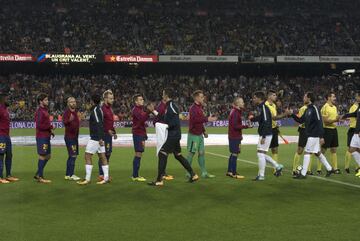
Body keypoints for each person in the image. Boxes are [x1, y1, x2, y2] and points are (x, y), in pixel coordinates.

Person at [148, 88, 199, 186]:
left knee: (162, 153)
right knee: (178, 155)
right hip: (175, 135)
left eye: (163, 94)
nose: (162, 96)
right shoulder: (170, 106)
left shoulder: (171, 106)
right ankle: (193, 174)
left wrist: (166, 126)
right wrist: (154, 111)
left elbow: (174, 122)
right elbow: (166, 118)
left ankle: (159, 180)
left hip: (173, 135)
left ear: (166, 96)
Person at [291, 92, 334, 178]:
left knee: (307, 152)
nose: (303, 98)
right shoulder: (307, 109)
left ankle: (303, 174)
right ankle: (329, 169)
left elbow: (319, 122)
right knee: (317, 153)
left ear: (309, 98)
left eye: (305, 97)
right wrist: (291, 114)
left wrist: (321, 136)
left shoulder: (314, 108)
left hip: (314, 135)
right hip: (310, 135)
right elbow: (300, 120)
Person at [249, 91, 284, 181]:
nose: (253, 99)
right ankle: (276, 166)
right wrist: (253, 119)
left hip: (266, 133)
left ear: (259, 98)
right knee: (261, 153)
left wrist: (264, 136)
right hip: (267, 133)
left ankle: (262, 175)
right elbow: (262, 118)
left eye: (254, 97)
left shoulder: (263, 107)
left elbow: (265, 121)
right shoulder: (262, 107)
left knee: (260, 154)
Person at [77, 94, 109, 185]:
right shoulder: (100, 109)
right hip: (100, 137)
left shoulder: (95, 110)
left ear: (92, 101)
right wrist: (102, 137)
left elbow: (98, 124)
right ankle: (106, 178)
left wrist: (99, 138)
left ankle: (87, 179)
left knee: (87, 156)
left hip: (96, 138)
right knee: (102, 156)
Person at [187, 90, 217, 178]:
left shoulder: (199, 107)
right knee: (191, 153)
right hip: (193, 135)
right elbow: (195, 120)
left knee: (201, 153)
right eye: (201, 97)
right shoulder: (193, 108)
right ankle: (188, 172)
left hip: (199, 135)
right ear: (196, 98)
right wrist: (207, 119)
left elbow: (200, 121)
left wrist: (204, 131)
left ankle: (204, 172)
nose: (203, 98)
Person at [34, 93, 55, 183]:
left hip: (46, 136)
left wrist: (50, 131)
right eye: (45, 100)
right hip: (42, 137)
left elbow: (44, 123)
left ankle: (38, 173)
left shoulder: (44, 110)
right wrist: (50, 127)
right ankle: (40, 177)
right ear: (40, 101)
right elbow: (39, 125)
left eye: (47, 99)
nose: (47, 101)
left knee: (48, 156)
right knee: (42, 155)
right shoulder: (40, 111)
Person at [227, 97, 249, 179]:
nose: (243, 103)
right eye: (242, 102)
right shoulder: (236, 112)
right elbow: (236, 126)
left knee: (233, 153)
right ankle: (234, 172)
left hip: (233, 136)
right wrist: (246, 126)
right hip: (235, 137)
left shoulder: (235, 111)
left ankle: (229, 171)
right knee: (235, 154)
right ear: (237, 104)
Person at [319, 92, 341, 174]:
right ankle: (319, 169)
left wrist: (337, 119)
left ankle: (335, 168)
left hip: (334, 130)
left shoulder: (335, 107)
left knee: (334, 149)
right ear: (328, 98)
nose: (335, 98)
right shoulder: (325, 107)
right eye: (333, 97)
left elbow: (334, 119)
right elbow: (325, 121)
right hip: (327, 130)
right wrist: (335, 120)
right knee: (323, 150)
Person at [153, 96, 174, 181]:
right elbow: (157, 118)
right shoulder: (161, 106)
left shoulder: (165, 106)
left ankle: (163, 173)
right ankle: (162, 173)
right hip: (162, 130)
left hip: (164, 129)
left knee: (165, 151)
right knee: (163, 151)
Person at [131, 94, 151, 182]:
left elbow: (142, 122)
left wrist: (145, 135)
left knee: (139, 153)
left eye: (142, 99)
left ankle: (135, 175)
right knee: (138, 153)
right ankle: (135, 175)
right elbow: (142, 119)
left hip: (140, 134)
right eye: (140, 99)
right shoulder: (136, 110)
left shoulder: (140, 109)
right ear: (136, 101)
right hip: (138, 134)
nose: (142, 100)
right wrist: (148, 112)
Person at [98, 90, 117, 181]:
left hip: (109, 135)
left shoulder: (109, 108)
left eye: (113, 98)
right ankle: (101, 174)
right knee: (103, 154)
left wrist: (114, 131)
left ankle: (104, 173)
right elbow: (100, 123)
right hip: (104, 135)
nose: (112, 100)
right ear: (105, 99)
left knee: (108, 154)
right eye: (111, 98)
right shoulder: (102, 109)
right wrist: (107, 131)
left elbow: (110, 122)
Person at [0, 92, 19, 183]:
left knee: (9, 155)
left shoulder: (5, 109)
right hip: (1, 136)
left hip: (6, 136)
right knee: (1, 155)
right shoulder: (0, 109)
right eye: (6, 98)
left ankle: (8, 175)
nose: (8, 100)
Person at [341, 90, 360, 177]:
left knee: (354, 149)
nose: (356, 98)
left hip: (358, 132)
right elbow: (355, 114)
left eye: (357, 96)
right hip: (356, 131)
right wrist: (345, 115)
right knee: (353, 149)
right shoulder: (359, 106)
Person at [292, 103, 314, 176]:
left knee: (310, 150)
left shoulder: (313, 108)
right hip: (304, 130)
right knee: (300, 150)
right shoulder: (303, 108)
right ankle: (294, 169)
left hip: (311, 130)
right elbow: (301, 120)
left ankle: (308, 169)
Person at [63, 96, 81, 181]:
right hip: (70, 137)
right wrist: (69, 120)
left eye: (74, 101)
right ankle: (71, 174)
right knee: (73, 155)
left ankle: (68, 174)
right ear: (68, 103)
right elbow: (64, 122)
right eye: (71, 102)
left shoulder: (75, 112)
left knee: (72, 156)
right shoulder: (67, 112)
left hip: (74, 137)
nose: (73, 103)